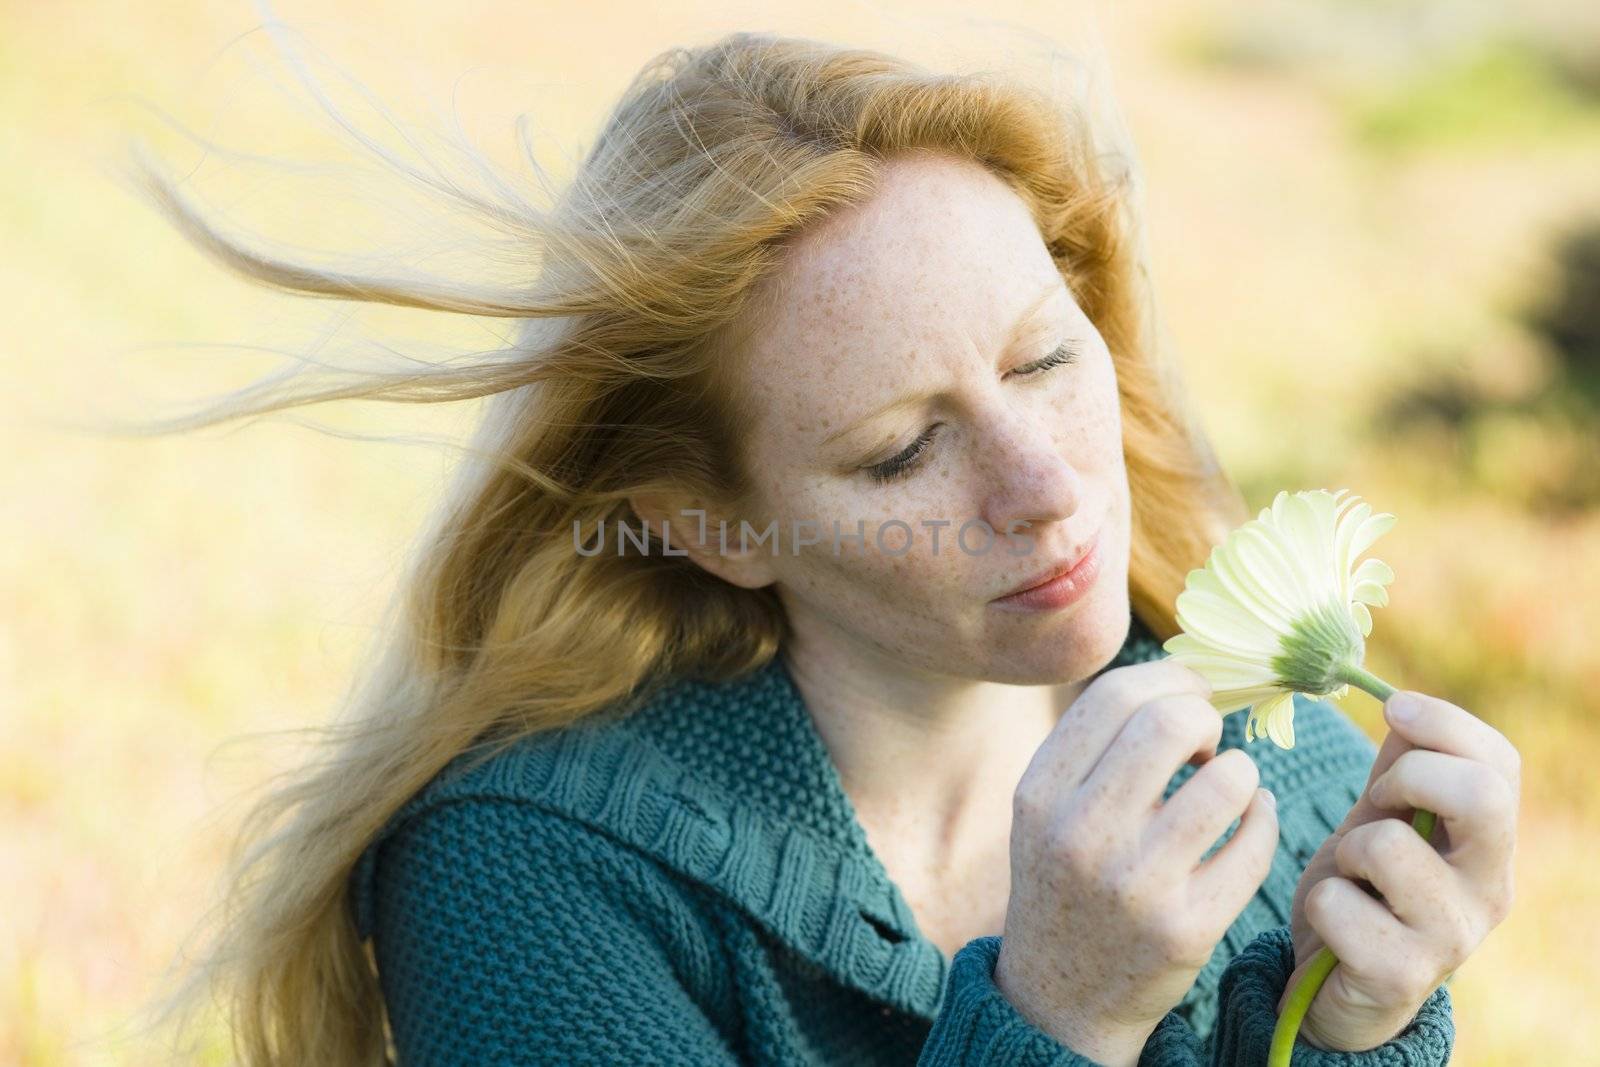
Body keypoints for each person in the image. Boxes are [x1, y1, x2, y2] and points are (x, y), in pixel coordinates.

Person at [134, 28, 1516, 1067]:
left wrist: (1365, 1021)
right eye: (903, 451)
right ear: (713, 527)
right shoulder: (529, 874)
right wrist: (1061, 1016)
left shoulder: (1312, 781)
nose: (1045, 489)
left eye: (1042, 359)